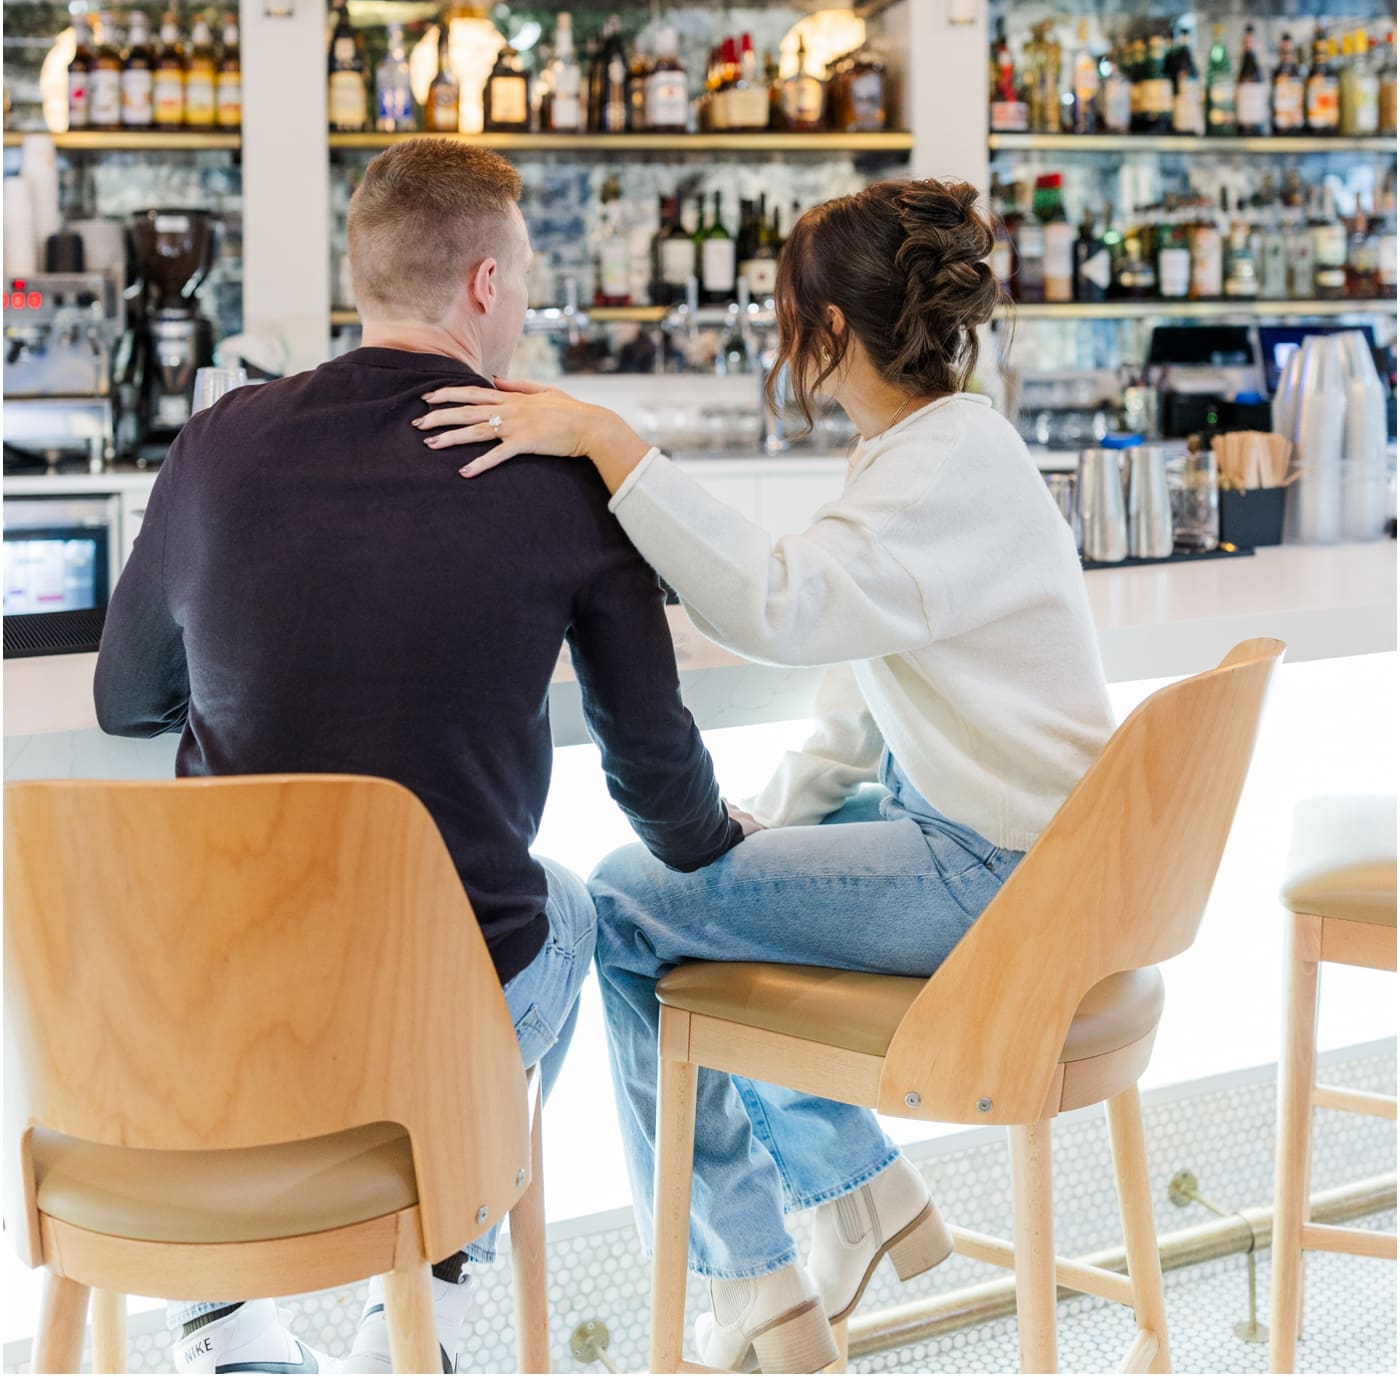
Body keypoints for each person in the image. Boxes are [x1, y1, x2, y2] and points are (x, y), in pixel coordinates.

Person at [414, 176, 1117, 1374]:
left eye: (788, 310)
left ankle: (758, 1279)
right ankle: (848, 1199)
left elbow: (776, 605)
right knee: (699, 882)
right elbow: (859, 694)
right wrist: (755, 834)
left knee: (626, 903)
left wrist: (605, 437)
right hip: (1037, 863)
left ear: (830, 329)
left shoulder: (934, 466)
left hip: (1004, 887)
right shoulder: (943, 446)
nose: (777, 332)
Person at [94, 138, 741, 1377]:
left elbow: (127, 703)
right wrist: (719, 838)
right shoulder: (561, 469)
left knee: (301, 933)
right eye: (531, 278)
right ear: (487, 287)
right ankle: (436, 1302)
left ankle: (228, 1315)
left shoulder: (218, 443)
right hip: (438, 1022)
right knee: (574, 906)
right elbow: (655, 779)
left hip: (207, 1014)